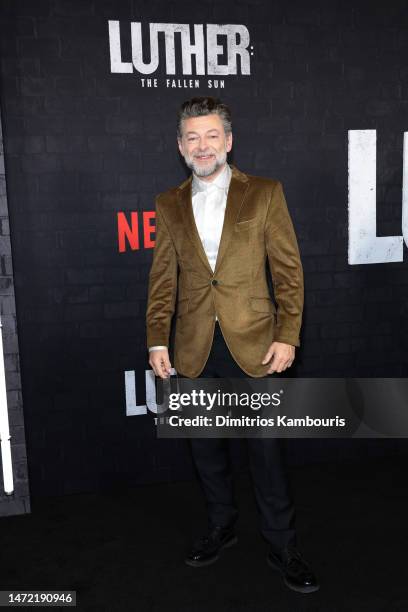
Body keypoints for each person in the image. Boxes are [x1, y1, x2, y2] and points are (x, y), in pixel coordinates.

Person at [146, 96, 319, 594]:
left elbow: (289, 271)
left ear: (229, 140)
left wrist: (288, 333)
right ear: (181, 147)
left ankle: (282, 544)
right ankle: (220, 527)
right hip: (193, 345)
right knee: (205, 450)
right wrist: (158, 339)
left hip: (257, 343)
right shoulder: (168, 203)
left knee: (266, 453)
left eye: (212, 136)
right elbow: (162, 280)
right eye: (193, 138)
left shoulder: (264, 192)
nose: (203, 146)